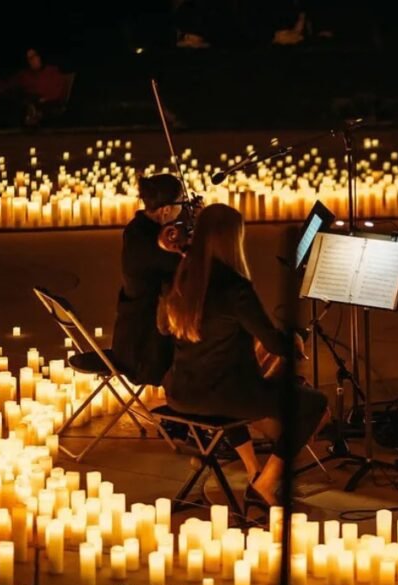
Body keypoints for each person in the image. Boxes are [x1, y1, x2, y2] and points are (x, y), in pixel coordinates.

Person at [159, 204, 327, 509]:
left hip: (181, 392)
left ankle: (253, 469)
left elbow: (163, 327)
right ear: (232, 240)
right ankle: (265, 484)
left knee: (227, 381)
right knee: (312, 403)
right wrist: (297, 338)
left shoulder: (182, 276)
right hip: (224, 397)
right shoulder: (235, 288)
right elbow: (276, 345)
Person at [111, 174, 185, 386]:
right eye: (181, 204)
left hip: (134, 334)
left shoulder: (139, 227)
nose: (184, 208)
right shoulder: (148, 240)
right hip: (144, 349)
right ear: (166, 210)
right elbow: (182, 264)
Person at [11, 48, 67, 125]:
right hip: (31, 102)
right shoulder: (24, 75)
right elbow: (11, 85)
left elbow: (59, 92)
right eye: (29, 59)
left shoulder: (52, 72)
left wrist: (45, 99)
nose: (32, 61)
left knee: (44, 106)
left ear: (39, 57)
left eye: (34, 57)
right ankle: (31, 115)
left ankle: (35, 116)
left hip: (49, 103)